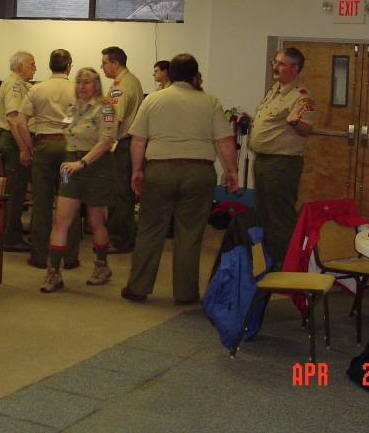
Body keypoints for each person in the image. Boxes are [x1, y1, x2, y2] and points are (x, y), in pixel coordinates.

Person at [121, 54, 238, 304]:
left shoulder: (152, 100)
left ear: (170, 74)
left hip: (160, 171)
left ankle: (138, 287)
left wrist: (137, 171)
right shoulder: (210, 102)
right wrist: (232, 172)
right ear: (195, 75)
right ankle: (185, 293)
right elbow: (225, 142)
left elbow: (138, 140)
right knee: (190, 233)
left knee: (150, 230)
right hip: (199, 173)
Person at [38, 67, 118, 293]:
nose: (81, 86)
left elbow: (106, 141)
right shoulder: (73, 108)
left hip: (96, 166)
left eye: (87, 82)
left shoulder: (106, 108)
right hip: (71, 165)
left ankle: (102, 266)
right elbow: (66, 129)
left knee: (95, 221)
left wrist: (82, 163)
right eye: (79, 82)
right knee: (61, 220)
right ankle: (53, 272)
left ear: (96, 85)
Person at [247, 47, 314, 270]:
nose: (275, 67)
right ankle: (268, 260)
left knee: (280, 216)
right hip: (264, 161)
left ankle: (287, 265)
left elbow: (306, 129)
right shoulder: (275, 90)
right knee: (264, 213)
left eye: (282, 64)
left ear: (295, 68)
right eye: (275, 62)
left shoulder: (301, 96)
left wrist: (296, 123)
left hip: (282, 164)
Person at [17, 49, 82, 269]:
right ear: (69, 66)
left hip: (44, 148)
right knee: (69, 201)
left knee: (42, 203)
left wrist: (30, 145)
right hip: (68, 150)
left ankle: (38, 256)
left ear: (50, 65)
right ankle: (70, 257)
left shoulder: (37, 89)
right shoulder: (76, 90)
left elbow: (20, 122)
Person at [100, 46, 143, 254]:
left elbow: (113, 118)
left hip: (121, 144)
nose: (102, 67)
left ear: (115, 64)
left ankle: (119, 240)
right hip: (127, 143)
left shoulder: (121, 86)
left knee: (119, 194)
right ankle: (124, 236)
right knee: (122, 193)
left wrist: (104, 142)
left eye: (104, 63)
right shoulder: (130, 81)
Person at [0, 51, 36, 252]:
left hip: (18, 141)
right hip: (14, 142)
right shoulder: (13, 86)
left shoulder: (23, 85)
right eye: (32, 64)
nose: (35, 68)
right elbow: (13, 120)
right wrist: (23, 148)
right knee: (15, 191)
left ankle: (16, 232)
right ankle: (11, 238)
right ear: (20, 66)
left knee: (20, 190)